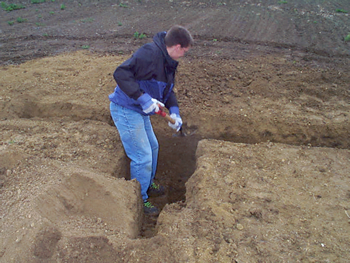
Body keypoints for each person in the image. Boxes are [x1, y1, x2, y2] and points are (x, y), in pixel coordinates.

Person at [109, 25, 194, 215]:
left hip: (139, 110)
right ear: (178, 46)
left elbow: (168, 91)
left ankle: (147, 184)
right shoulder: (150, 54)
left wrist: (175, 111)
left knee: (153, 147)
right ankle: (140, 200)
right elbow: (120, 73)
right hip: (126, 109)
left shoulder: (168, 62)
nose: (184, 56)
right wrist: (142, 98)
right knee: (142, 157)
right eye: (185, 51)